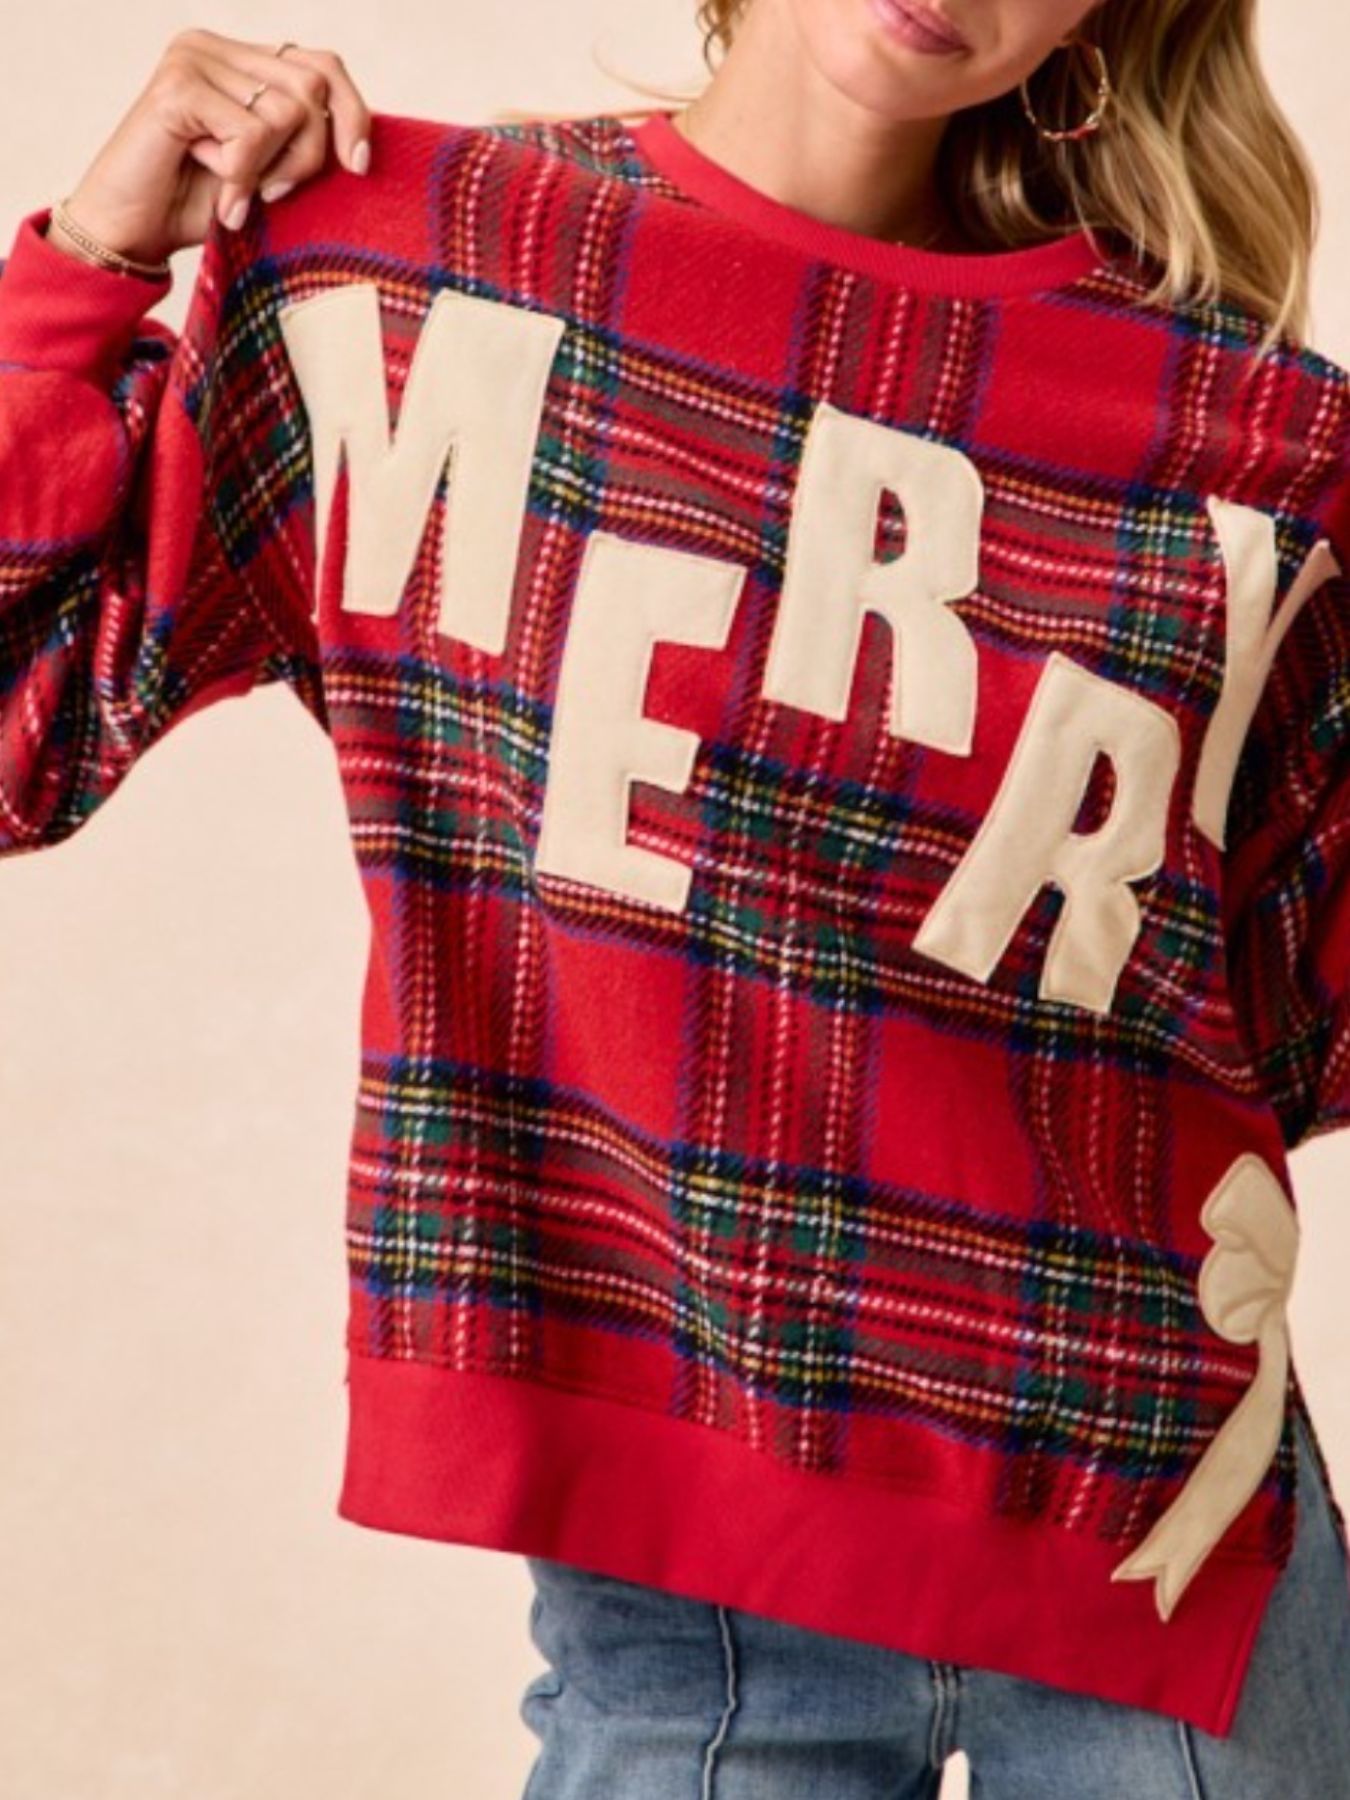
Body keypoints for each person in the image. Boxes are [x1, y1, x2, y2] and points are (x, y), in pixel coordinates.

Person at [2, 3, 1349, 1795]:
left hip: (1153, 1545)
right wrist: (91, 262)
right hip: (687, 1597)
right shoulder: (417, 276)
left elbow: (1289, 1022)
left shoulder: (1239, 433)